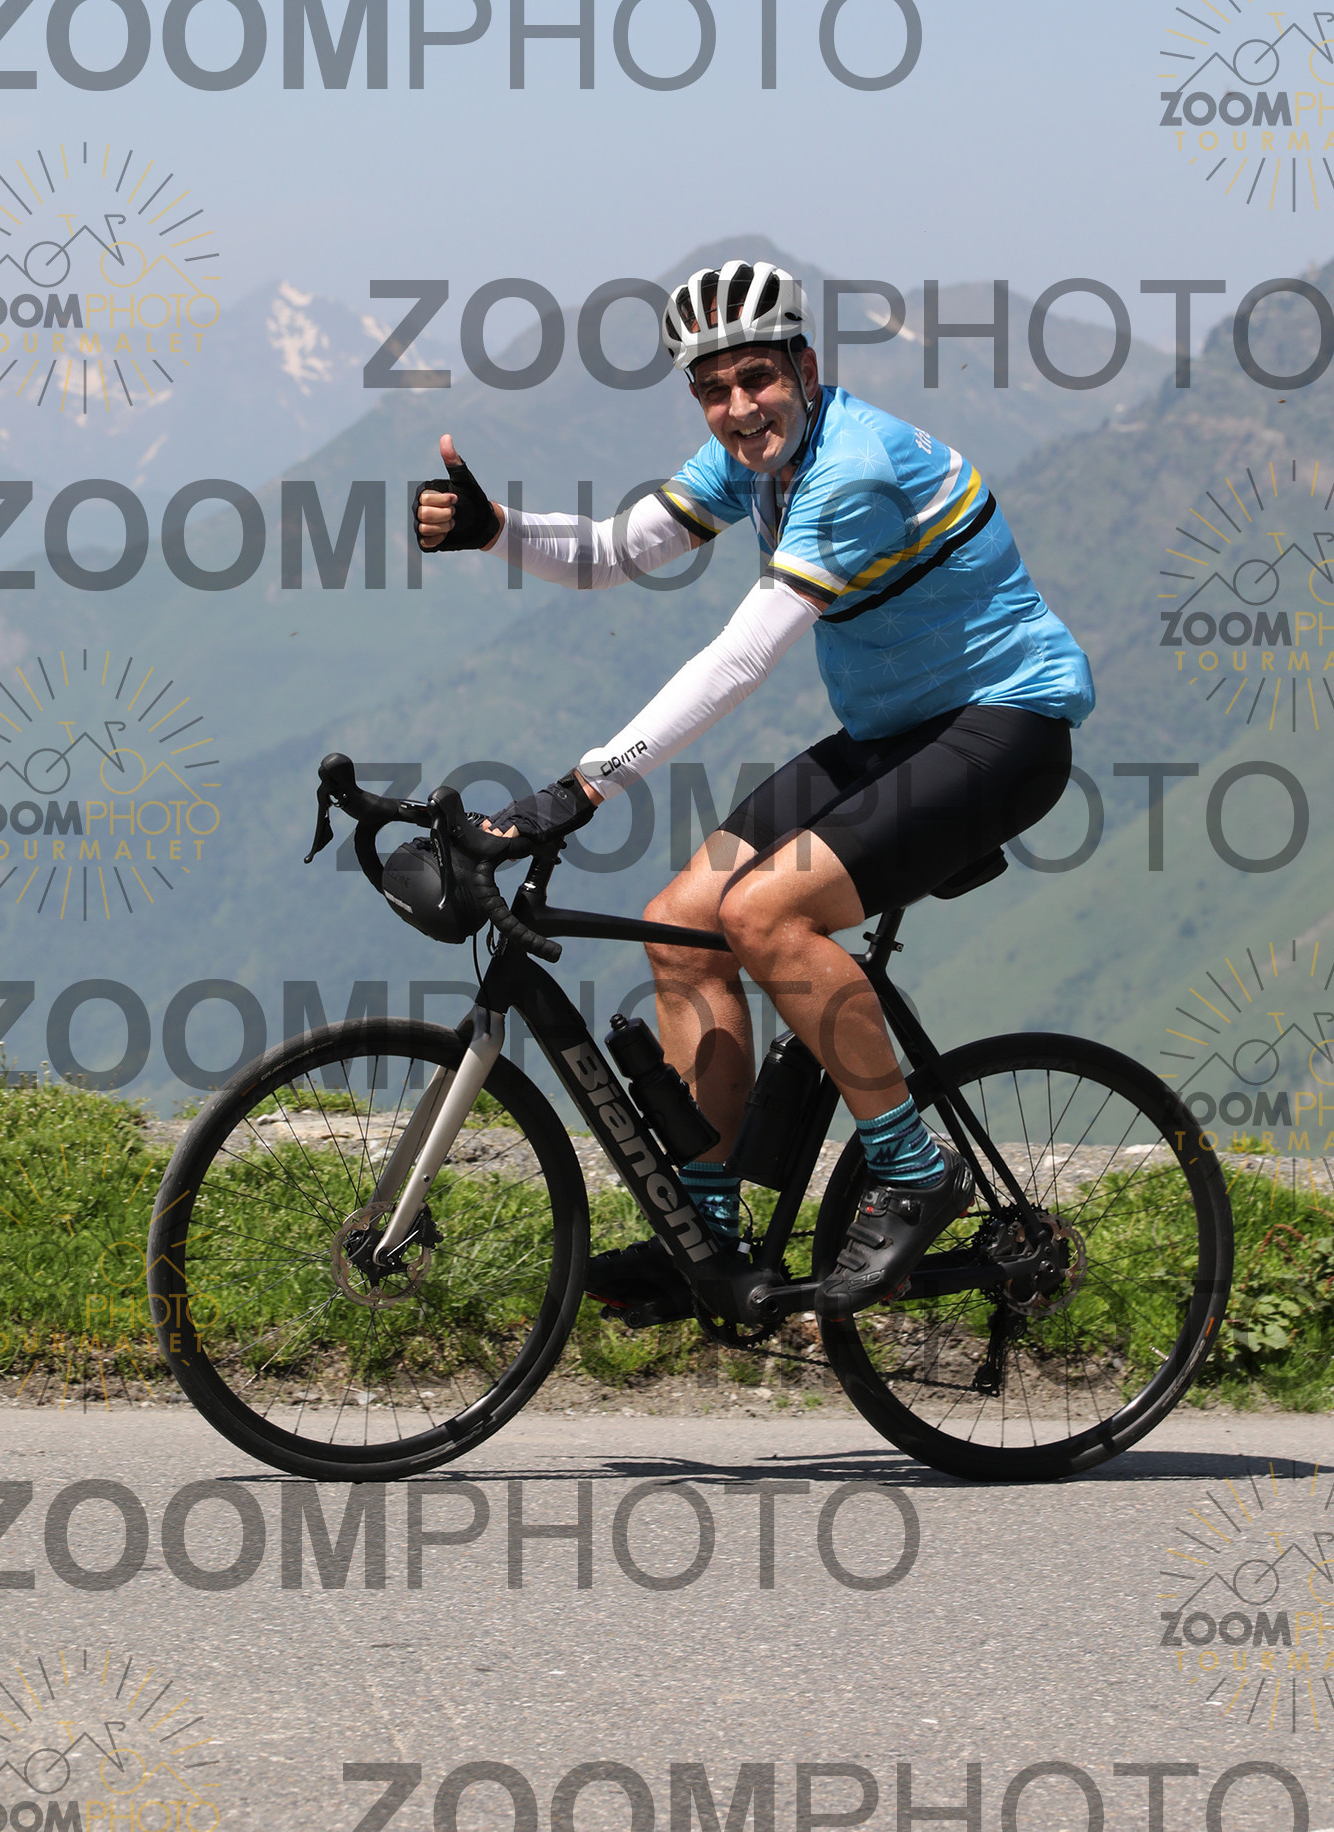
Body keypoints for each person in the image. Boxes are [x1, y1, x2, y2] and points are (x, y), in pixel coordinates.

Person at [416, 259, 1093, 1315]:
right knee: (681, 923)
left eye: (757, 379)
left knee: (763, 914)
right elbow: (614, 551)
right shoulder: (761, 458)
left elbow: (741, 659)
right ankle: (707, 1230)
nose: (737, 407)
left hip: (1002, 731)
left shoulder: (852, 471)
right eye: (712, 388)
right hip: (892, 737)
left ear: (805, 370)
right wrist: (496, 527)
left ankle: (914, 1172)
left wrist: (580, 789)